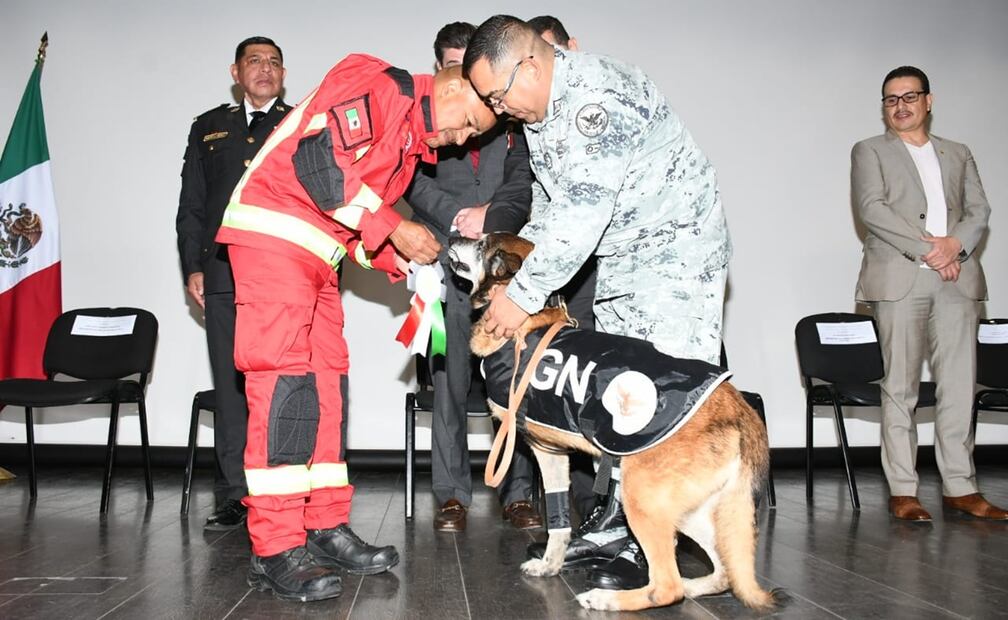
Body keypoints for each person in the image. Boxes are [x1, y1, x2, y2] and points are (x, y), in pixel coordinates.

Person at [214, 54, 497, 602]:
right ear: (453, 83)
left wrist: (408, 265)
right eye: (466, 122)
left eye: (471, 136)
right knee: (285, 393)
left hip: (318, 259)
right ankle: (273, 546)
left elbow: (352, 223)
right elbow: (317, 164)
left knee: (325, 392)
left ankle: (322, 526)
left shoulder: (410, 151)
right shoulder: (384, 86)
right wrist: (398, 227)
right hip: (274, 242)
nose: (459, 140)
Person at [463, 15, 731, 591]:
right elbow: (555, 212)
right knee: (621, 396)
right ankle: (616, 525)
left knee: (663, 400)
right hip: (624, 259)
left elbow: (581, 216)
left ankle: (654, 546)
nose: (499, 110)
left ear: (530, 65)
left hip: (674, 255)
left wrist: (522, 296)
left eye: (498, 94)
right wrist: (524, 280)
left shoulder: (598, 98)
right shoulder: (541, 111)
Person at [852, 66, 1007, 522]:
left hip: (957, 277)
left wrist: (955, 246)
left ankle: (961, 486)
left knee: (959, 386)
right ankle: (904, 489)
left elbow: (980, 209)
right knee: (899, 387)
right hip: (901, 277)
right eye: (890, 99)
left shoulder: (957, 152)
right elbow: (871, 209)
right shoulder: (869, 151)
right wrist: (931, 250)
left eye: (909, 97)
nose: (900, 106)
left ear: (928, 101)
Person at [404, 21, 541, 533]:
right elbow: (411, 182)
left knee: (512, 383)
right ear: (439, 69)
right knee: (449, 384)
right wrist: (463, 215)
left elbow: (522, 182)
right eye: (452, 67)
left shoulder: (515, 123)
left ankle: (518, 494)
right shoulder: (425, 124)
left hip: (505, 275)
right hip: (446, 269)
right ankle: (452, 496)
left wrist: (492, 218)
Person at [176, 36, 290, 532]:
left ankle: (281, 490)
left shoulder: (299, 121)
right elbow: (192, 205)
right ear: (236, 71)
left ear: (283, 74)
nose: (265, 70)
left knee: (283, 387)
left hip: (282, 276)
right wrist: (192, 267)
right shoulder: (209, 127)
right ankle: (234, 495)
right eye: (255, 61)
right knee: (230, 387)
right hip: (222, 273)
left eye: (273, 63)